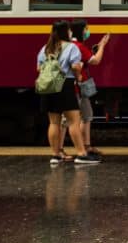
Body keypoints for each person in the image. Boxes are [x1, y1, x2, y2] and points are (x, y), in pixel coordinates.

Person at [37, 20, 99, 165]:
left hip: (49, 87)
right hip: (65, 86)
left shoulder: (46, 48)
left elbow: (39, 69)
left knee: (54, 122)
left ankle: (55, 155)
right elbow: (76, 66)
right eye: (69, 30)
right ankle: (81, 154)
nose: (71, 32)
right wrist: (78, 76)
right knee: (73, 121)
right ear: (66, 32)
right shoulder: (71, 47)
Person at [68, 19, 110, 160]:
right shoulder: (78, 46)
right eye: (86, 29)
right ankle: (82, 150)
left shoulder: (74, 45)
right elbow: (95, 61)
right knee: (82, 117)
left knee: (85, 116)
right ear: (81, 30)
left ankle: (85, 147)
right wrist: (102, 46)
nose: (87, 31)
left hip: (78, 86)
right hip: (78, 86)